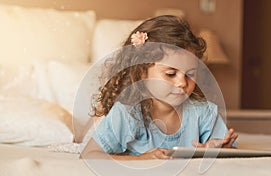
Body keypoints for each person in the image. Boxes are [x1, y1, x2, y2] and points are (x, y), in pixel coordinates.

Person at [81, 15, 238, 160]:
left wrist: (219, 148)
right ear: (142, 73)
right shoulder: (127, 113)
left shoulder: (204, 112)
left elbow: (226, 149)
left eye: (190, 74)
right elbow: (89, 155)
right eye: (170, 74)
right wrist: (140, 159)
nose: (182, 83)